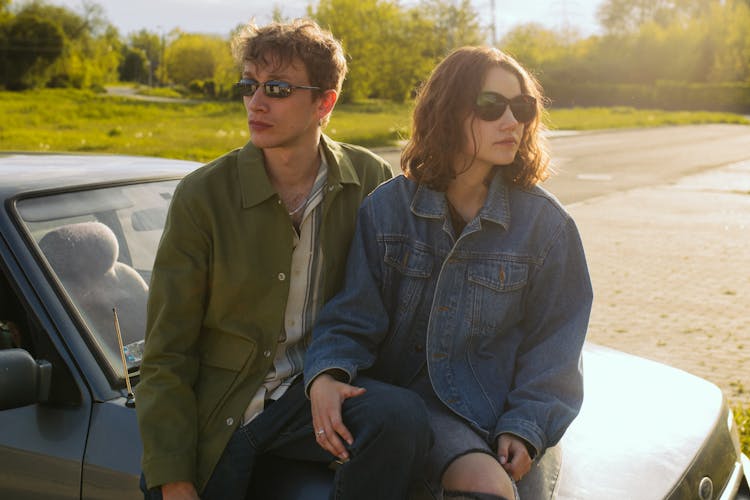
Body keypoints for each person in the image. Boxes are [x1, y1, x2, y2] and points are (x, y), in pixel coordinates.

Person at [136, 19, 430, 500]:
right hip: (223, 408)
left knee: (401, 418)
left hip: (312, 394)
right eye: (249, 86)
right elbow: (166, 350)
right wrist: (173, 475)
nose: (256, 102)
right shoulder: (203, 195)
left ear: (325, 103)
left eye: (277, 88)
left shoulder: (369, 179)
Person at [304, 46, 593, 500]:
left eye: (521, 108)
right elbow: (353, 316)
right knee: (490, 489)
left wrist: (526, 425)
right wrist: (327, 374)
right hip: (408, 408)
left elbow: (555, 349)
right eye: (490, 106)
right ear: (447, 111)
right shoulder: (387, 209)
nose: (511, 121)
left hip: (497, 415)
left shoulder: (548, 228)